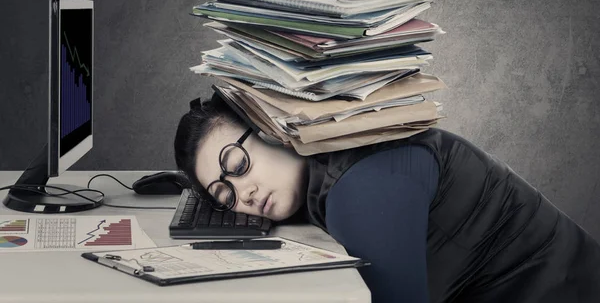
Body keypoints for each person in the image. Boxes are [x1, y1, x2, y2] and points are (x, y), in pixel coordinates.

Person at [174, 93, 600, 303]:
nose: (242, 193)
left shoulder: (362, 186)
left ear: (267, 126)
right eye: (223, 194)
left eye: (236, 163)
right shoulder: (333, 157)